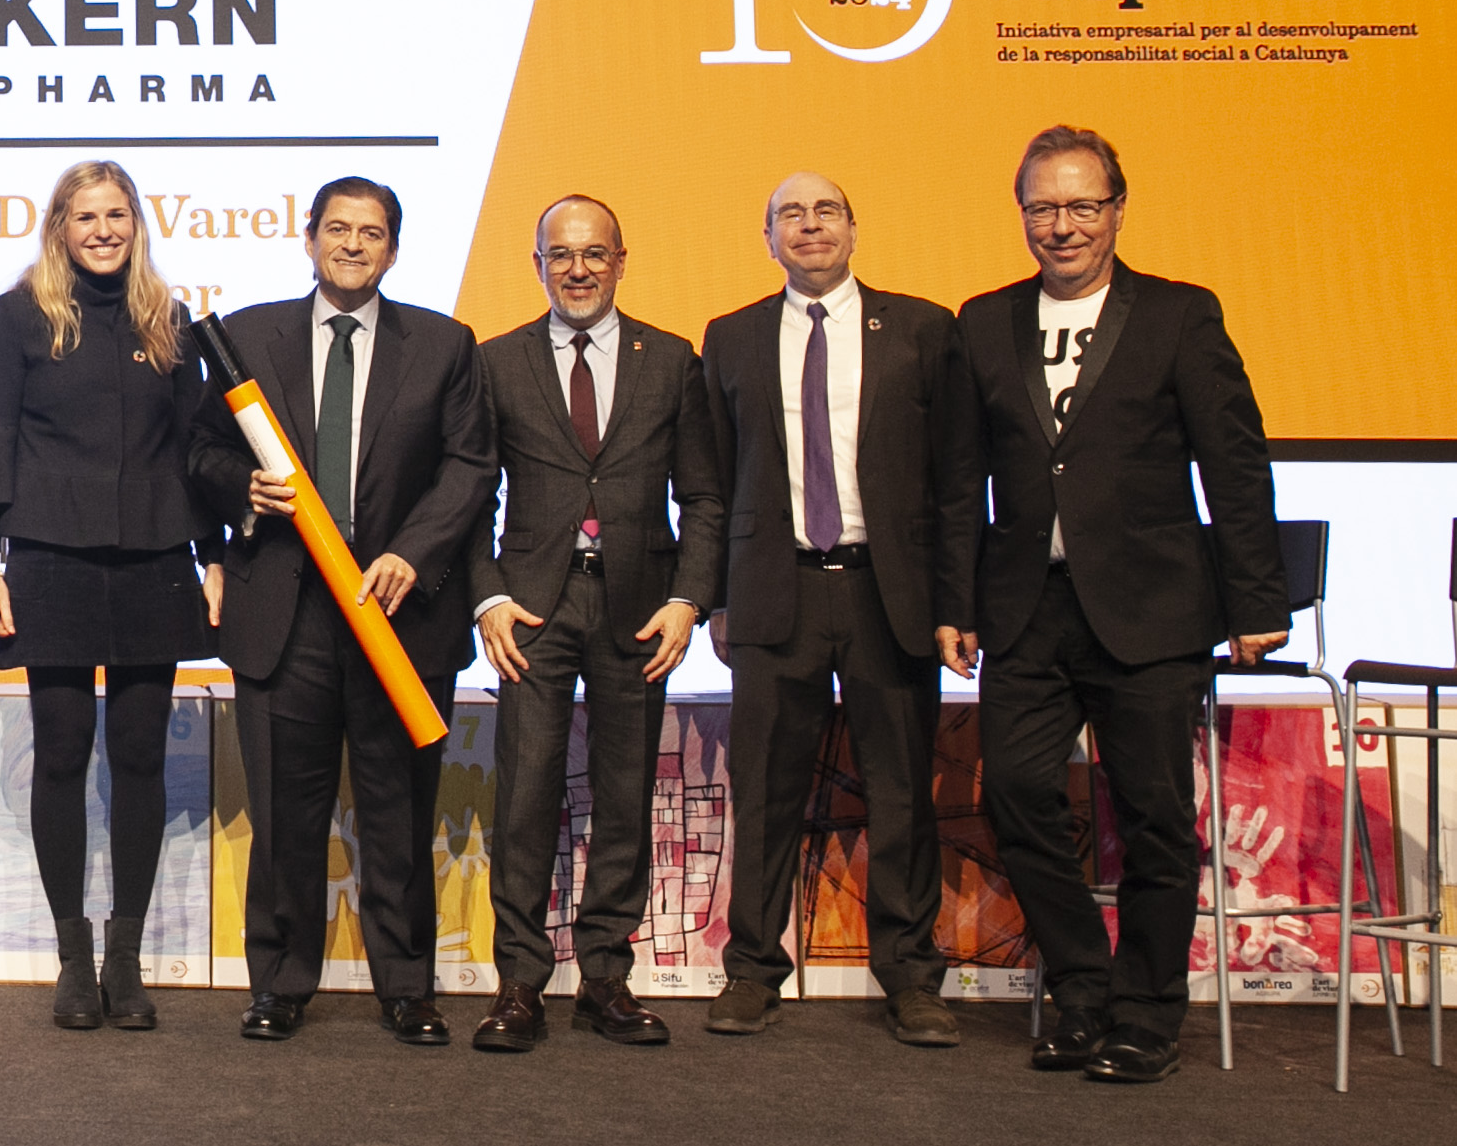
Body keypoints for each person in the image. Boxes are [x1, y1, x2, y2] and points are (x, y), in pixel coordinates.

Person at [952, 126, 1287, 1083]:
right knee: (1016, 793)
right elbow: (957, 478)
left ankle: (1145, 1013)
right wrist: (953, 601)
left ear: (1118, 209)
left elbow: (1234, 462)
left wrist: (1256, 597)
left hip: (1152, 609)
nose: (1062, 225)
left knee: (1152, 817)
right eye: (1043, 207)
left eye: (1081, 205)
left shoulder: (1181, 313)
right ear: (1022, 214)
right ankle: (1082, 991)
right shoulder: (986, 319)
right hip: (1026, 610)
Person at [188, 177, 495, 1046]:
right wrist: (241, 490)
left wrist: (414, 552)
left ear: (393, 248)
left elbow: (472, 466)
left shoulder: (444, 343)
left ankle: (408, 988)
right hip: (284, 616)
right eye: (337, 228)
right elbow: (200, 450)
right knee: (285, 816)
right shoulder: (248, 336)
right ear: (308, 236)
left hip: (398, 613)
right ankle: (279, 984)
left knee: (401, 812)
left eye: (371, 232)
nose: (353, 244)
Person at [698, 172, 981, 1048]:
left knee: (901, 792)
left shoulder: (924, 328)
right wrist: (715, 597)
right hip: (772, 587)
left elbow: (958, 479)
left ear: (854, 228)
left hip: (887, 591)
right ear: (768, 238)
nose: (809, 225)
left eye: (826, 211)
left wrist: (955, 600)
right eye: (790, 213)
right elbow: (711, 478)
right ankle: (752, 971)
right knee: (765, 790)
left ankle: (912, 978)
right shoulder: (732, 335)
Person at [0, 159, 225, 1031]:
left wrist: (214, 555)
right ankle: (74, 958)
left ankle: (125, 959)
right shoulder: (23, 314)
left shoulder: (167, 319)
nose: (103, 230)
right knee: (64, 753)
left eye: (116, 215)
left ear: (135, 224)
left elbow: (194, 449)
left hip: (153, 561)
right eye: (85, 216)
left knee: (141, 756)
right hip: (52, 561)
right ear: (60, 228)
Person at [465, 195, 716, 1051]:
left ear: (620, 261)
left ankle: (607, 975)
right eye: (560, 255)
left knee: (624, 794)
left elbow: (704, 496)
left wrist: (689, 598)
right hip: (532, 609)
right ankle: (519, 984)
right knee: (525, 797)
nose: (578, 269)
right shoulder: (496, 360)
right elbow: (470, 495)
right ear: (537, 265)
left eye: (594, 253)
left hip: (641, 607)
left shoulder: (671, 359)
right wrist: (488, 597)